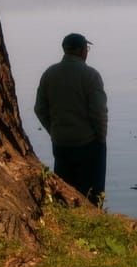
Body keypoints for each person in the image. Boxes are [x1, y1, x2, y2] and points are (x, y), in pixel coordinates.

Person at [34, 33, 108, 205]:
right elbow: (99, 112)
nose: (87, 52)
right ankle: (92, 221)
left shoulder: (49, 74)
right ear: (82, 51)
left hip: (61, 143)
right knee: (92, 194)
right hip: (88, 143)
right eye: (86, 49)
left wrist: (53, 131)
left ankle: (68, 217)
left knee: (64, 191)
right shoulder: (91, 75)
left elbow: (40, 109)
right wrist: (101, 138)